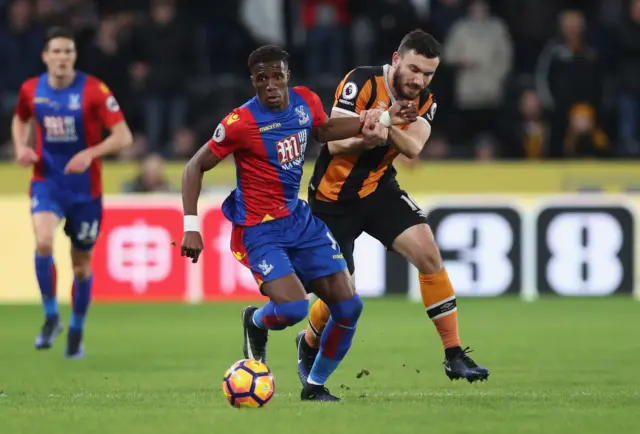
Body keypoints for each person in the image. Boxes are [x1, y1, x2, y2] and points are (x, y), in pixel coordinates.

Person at [180, 45, 417, 401]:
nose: (271, 85)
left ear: (288, 75)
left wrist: (380, 119)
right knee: (293, 308)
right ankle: (256, 321)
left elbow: (323, 130)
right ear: (254, 82)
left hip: (299, 220)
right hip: (260, 228)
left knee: (349, 306)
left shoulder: (305, 101)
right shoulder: (239, 123)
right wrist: (190, 225)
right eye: (262, 79)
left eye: (278, 76)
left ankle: (315, 385)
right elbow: (194, 166)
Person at [296, 29, 490, 384]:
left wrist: (383, 127)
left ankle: (454, 354)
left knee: (429, 254)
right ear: (397, 59)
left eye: (428, 74)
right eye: (414, 69)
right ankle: (308, 342)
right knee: (342, 295)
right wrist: (381, 124)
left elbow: (413, 147)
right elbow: (336, 145)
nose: (419, 80)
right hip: (331, 199)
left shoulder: (426, 101)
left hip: (378, 189)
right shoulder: (361, 81)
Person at [12, 27, 133, 358]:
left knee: (81, 266)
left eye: (68, 52)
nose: (62, 58)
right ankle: (51, 317)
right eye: (57, 52)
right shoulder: (30, 89)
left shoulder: (94, 91)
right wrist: (21, 147)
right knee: (43, 241)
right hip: (47, 181)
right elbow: (20, 119)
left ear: (74, 57)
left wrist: (90, 153)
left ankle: (76, 329)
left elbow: (124, 137)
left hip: (85, 191)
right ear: (46, 57)